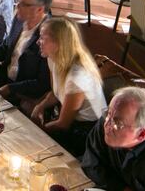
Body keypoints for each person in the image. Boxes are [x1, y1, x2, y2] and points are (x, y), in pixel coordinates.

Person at [31, 18, 107, 157]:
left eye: (42, 38)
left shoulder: (77, 77)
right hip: (69, 119)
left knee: (34, 146)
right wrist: (40, 106)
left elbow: (63, 124)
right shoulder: (52, 58)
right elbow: (56, 93)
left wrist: (37, 130)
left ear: (59, 43)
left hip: (87, 131)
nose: (37, 42)